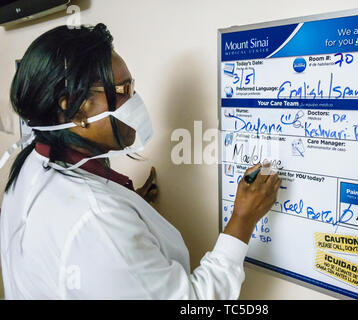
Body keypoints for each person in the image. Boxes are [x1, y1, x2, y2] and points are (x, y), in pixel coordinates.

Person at [0, 23, 281, 299]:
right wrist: (243, 220)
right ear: (74, 106)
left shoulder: (32, 164)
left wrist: (128, 205)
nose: (135, 100)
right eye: (123, 90)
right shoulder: (99, 220)